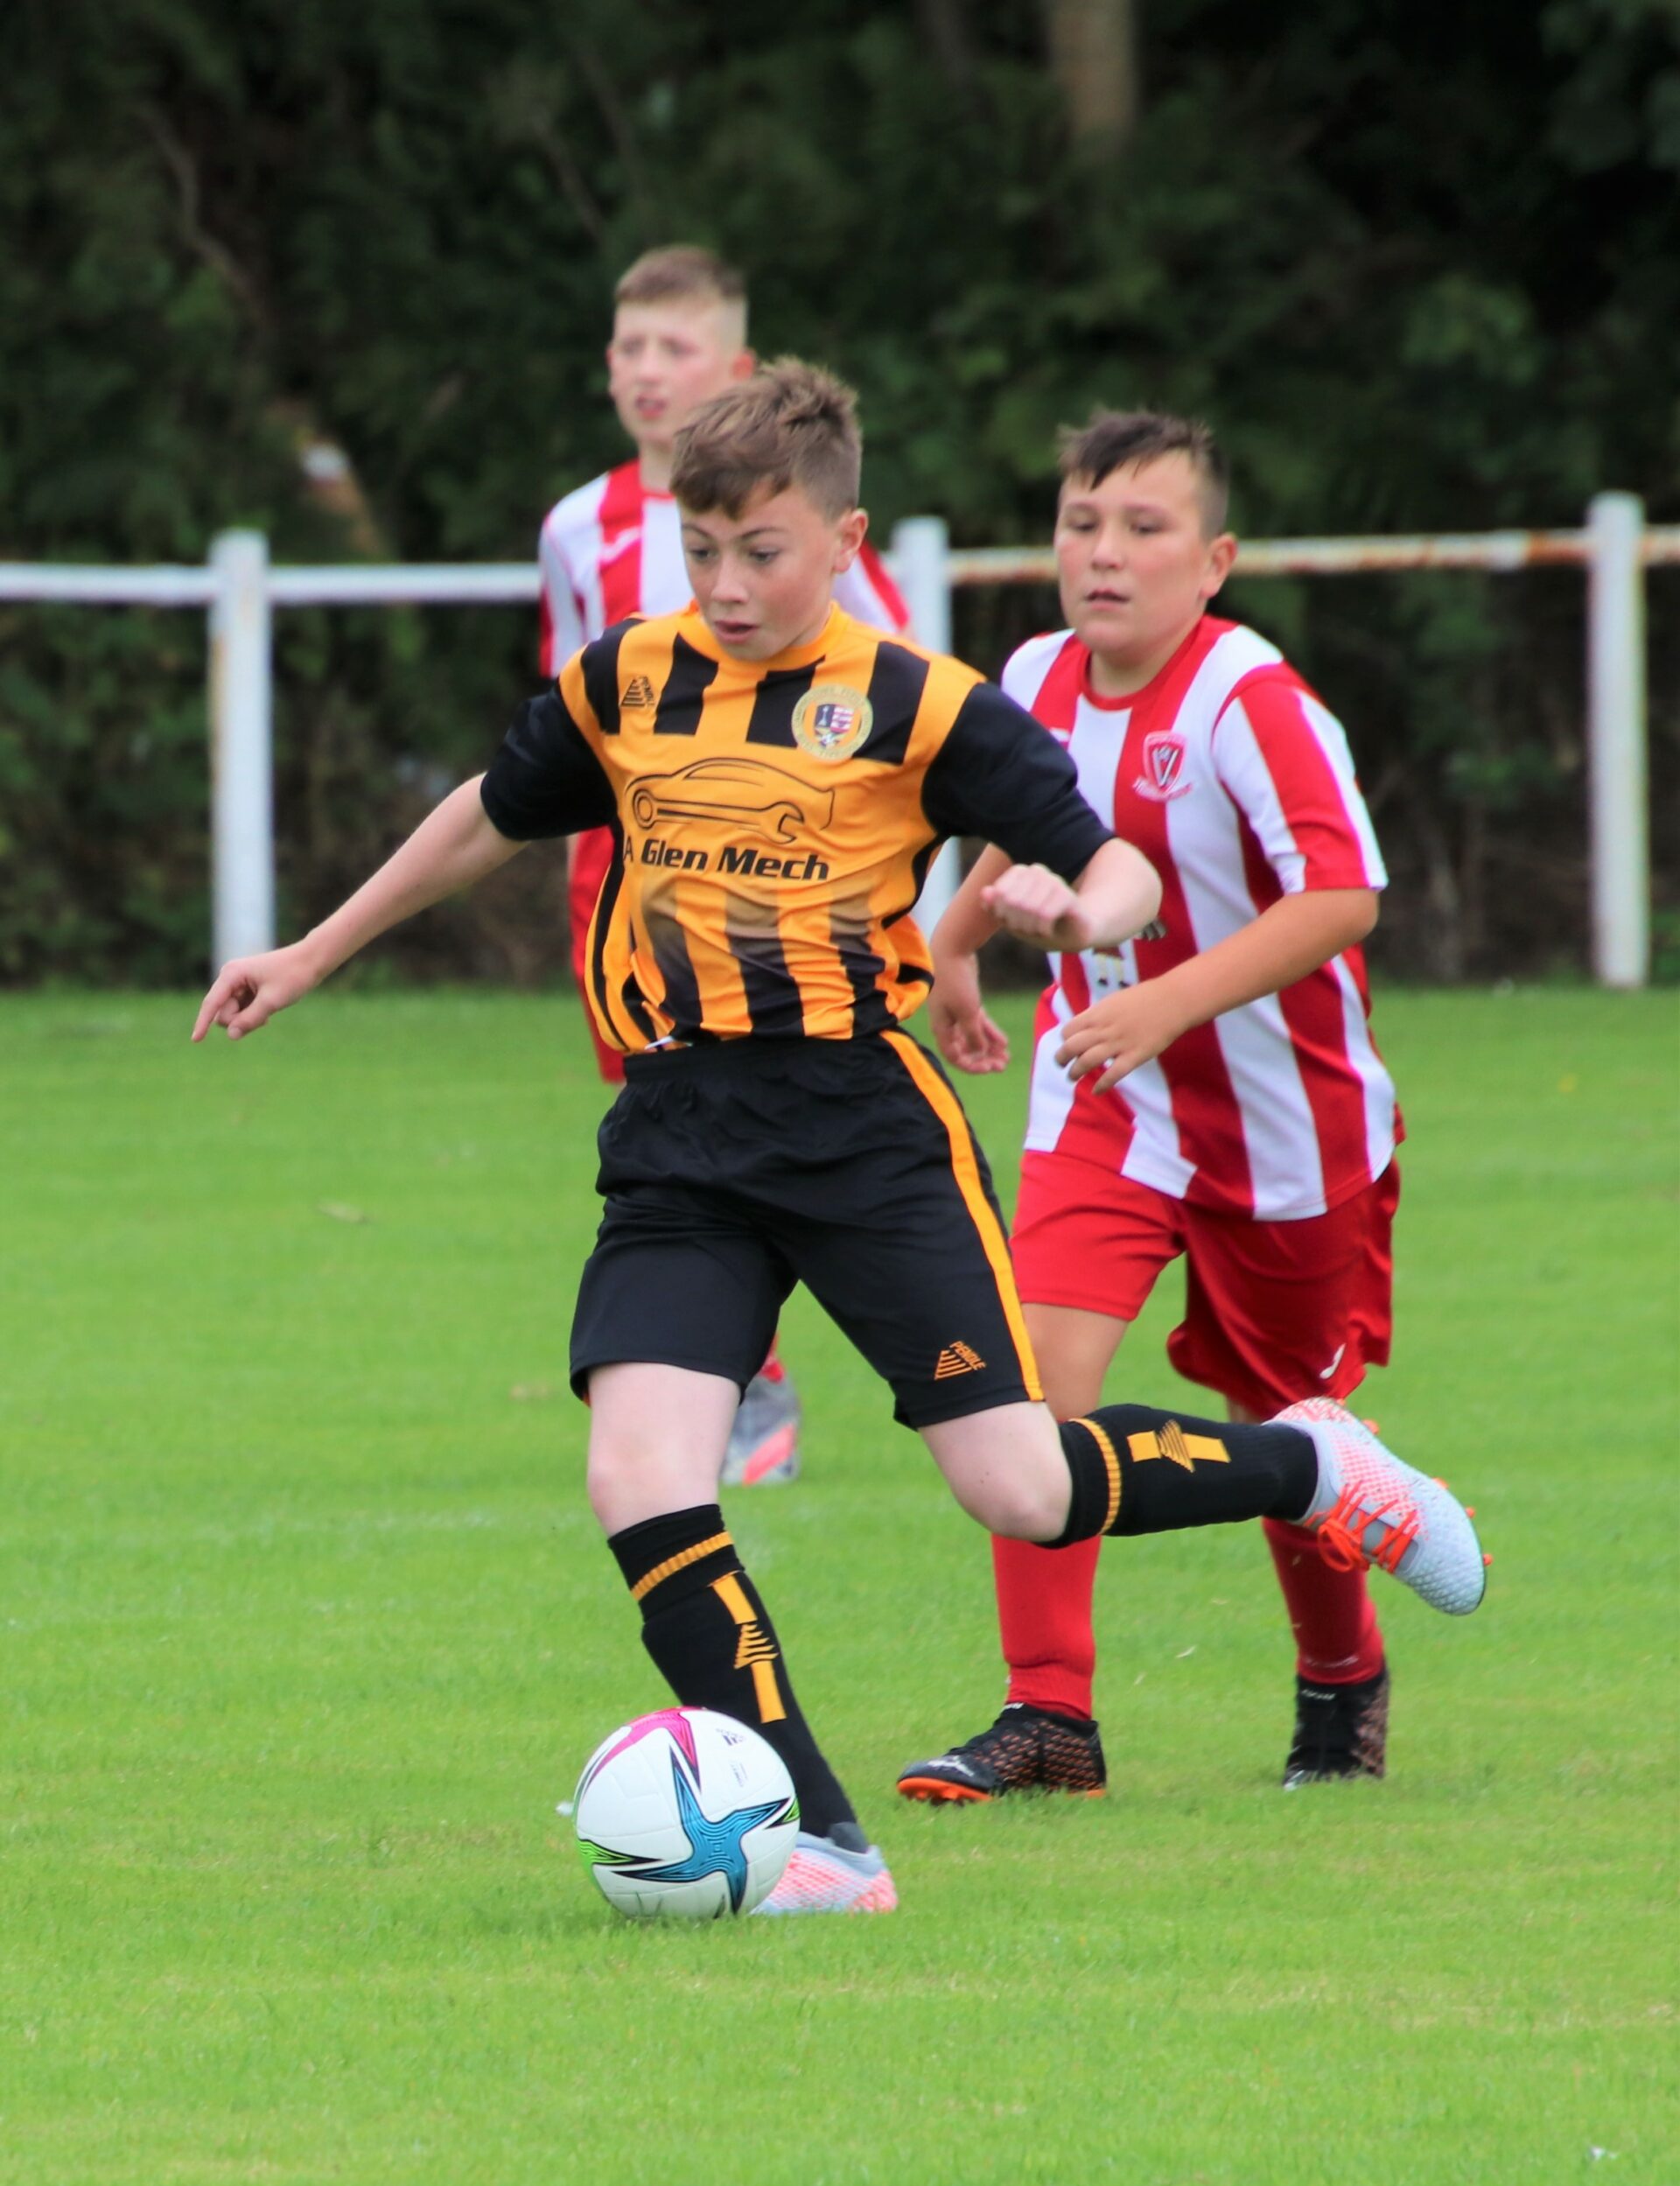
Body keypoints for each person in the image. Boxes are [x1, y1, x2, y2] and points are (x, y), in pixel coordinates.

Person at [194, 364, 1486, 1916]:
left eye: (765, 552)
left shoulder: (920, 700)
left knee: (1016, 1485)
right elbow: (490, 808)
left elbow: (1118, 863)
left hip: (864, 1128)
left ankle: (1308, 1463)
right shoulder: (628, 678)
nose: (730, 589)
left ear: (842, 537)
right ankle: (824, 1841)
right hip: (679, 1129)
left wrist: (1074, 911)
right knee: (639, 1477)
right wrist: (310, 952)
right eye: (705, 552)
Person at [898, 410, 1414, 1807]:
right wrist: (949, 954)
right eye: (1081, 525)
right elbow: (1023, 818)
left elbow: (1343, 897)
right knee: (1030, 1394)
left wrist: (1166, 1004)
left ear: (1217, 559)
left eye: (1145, 528)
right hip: (1105, 1111)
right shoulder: (1033, 675)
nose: (1105, 556)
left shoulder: (1253, 701)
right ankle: (1049, 1715)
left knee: (1294, 1429)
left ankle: (1339, 1681)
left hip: (1285, 1135)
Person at [539, 245, 909, 1490]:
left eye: (676, 349)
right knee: (666, 1120)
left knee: (758, 1105)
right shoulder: (577, 529)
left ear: (735, 367)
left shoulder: (798, 526)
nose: (649, 373)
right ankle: (726, 1371)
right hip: (627, 881)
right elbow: (569, 719)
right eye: (630, 349)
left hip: (780, 880)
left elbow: (896, 695)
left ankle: (754, 1380)